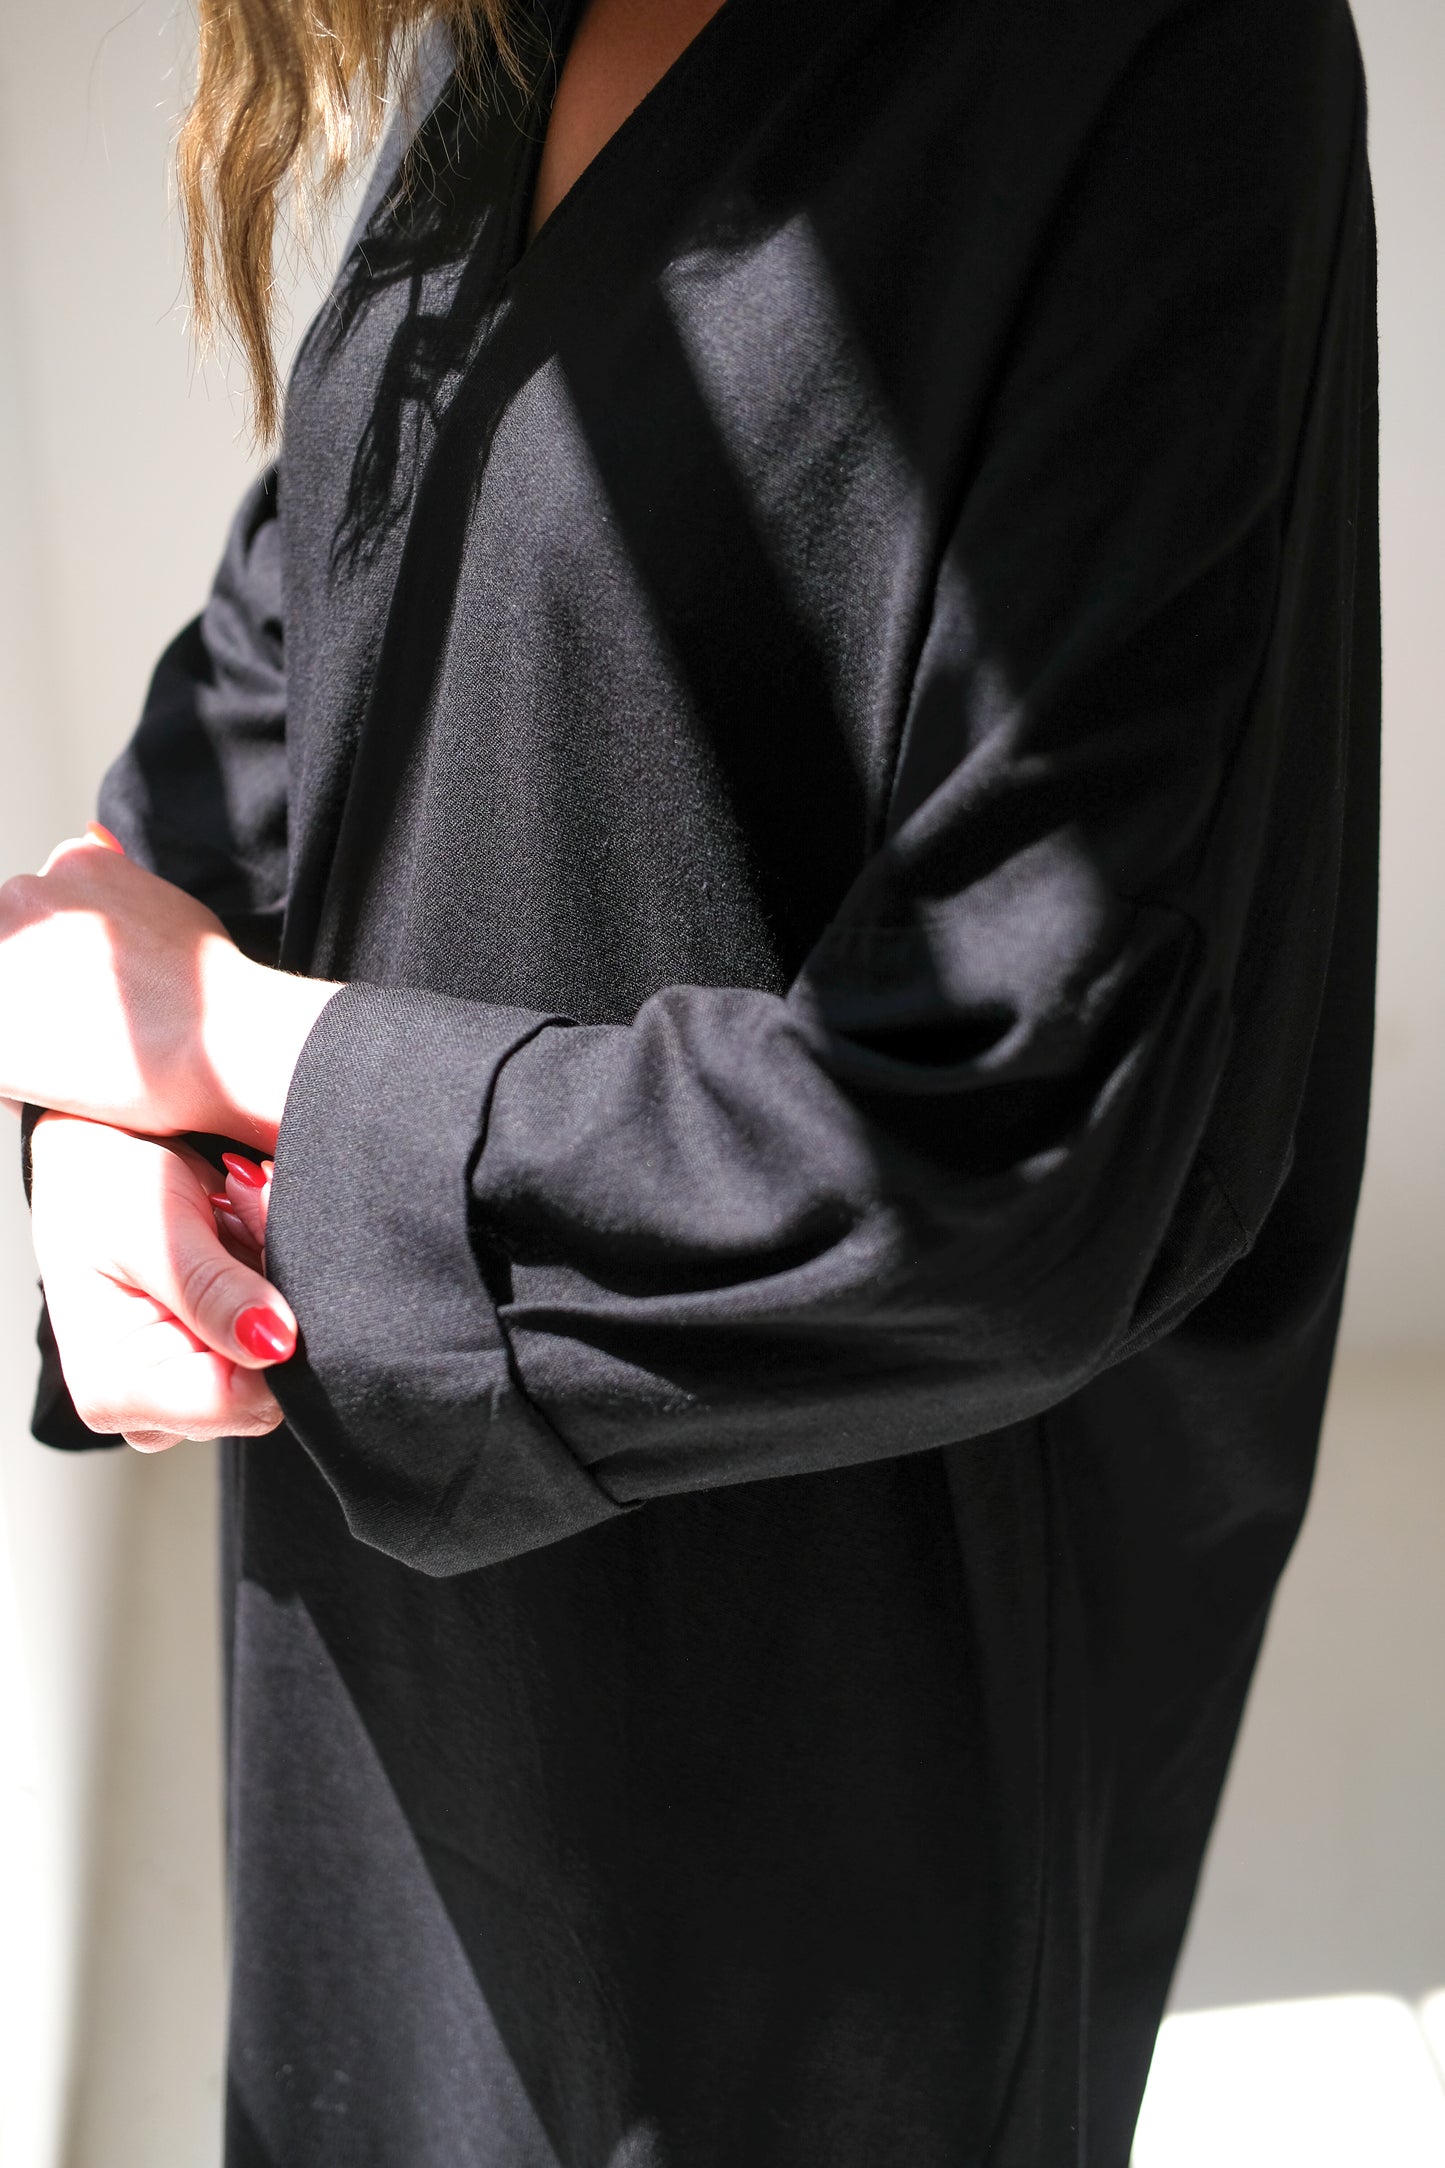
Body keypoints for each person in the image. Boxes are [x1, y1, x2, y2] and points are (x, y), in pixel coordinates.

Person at [0, 0, 1379, 2158]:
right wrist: (97, 1135)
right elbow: (307, 611)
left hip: (827, 1705)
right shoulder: (501, 27)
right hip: (375, 1591)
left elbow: (1013, 1133)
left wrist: (234, 1049)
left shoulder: (1167, 60)